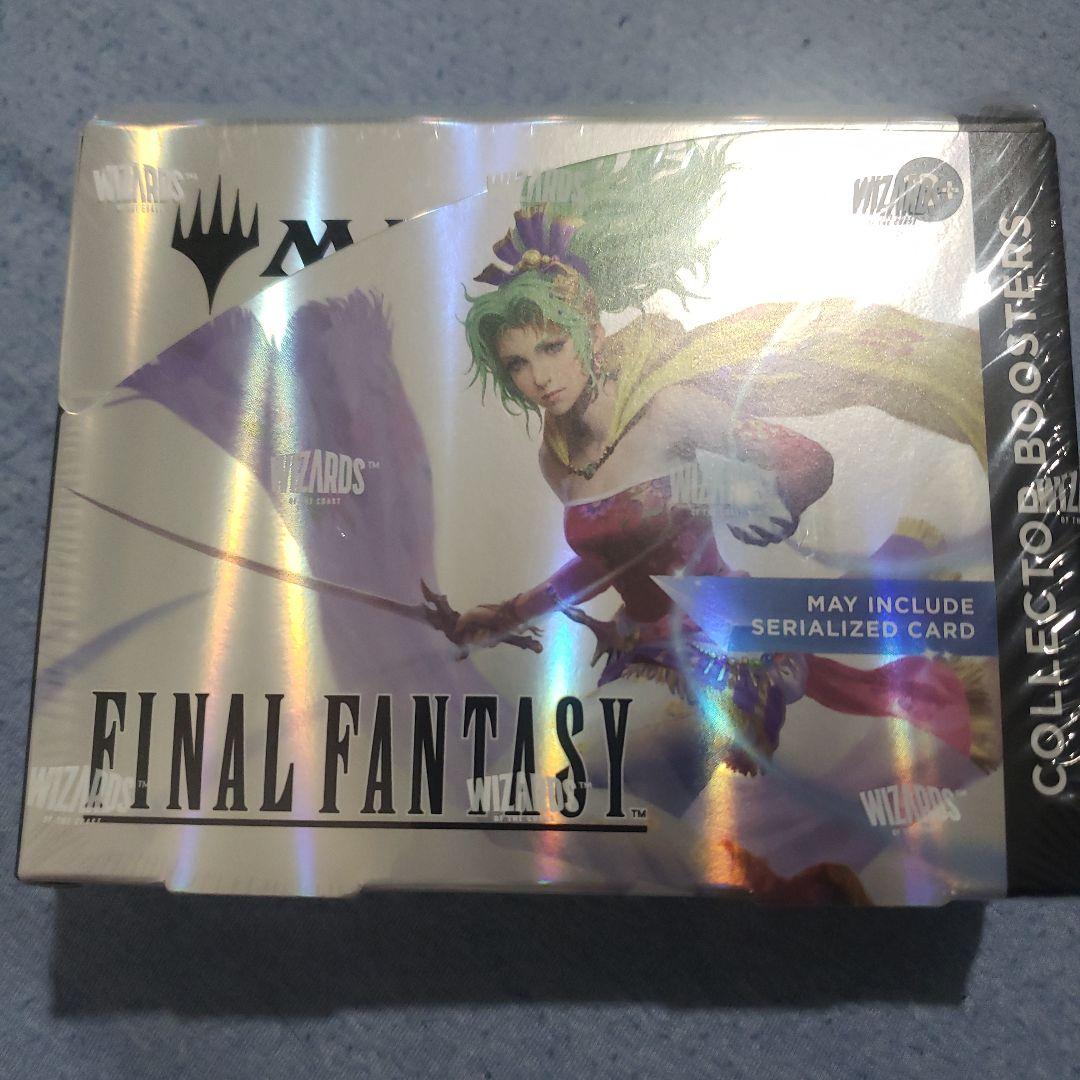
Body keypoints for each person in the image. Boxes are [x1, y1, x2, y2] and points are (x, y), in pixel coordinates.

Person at [453, 146, 1000, 830]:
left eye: (551, 347)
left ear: (590, 333)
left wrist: (760, 500)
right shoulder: (554, 457)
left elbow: (806, 461)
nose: (538, 377)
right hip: (642, 660)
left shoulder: (667, 409)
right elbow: (603, 562)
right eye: (517, 364)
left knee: (569, 800)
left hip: (721, 655)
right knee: (613, 834)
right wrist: (508, 614)